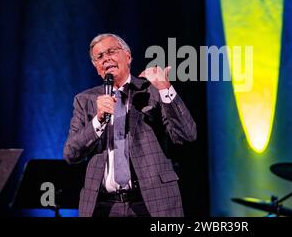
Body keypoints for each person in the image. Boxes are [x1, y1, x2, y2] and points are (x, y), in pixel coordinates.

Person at [63, 33, 197, 217]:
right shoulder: (85, 100)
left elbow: (187, 134)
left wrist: (165, 88)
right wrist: (98, 119)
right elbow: (71, 154)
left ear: (128, 56)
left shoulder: (152, 89)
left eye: (112, 51)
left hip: (153, 202)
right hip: (104, 207)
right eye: (99, 56)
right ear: (96, 67)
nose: (106, 58)